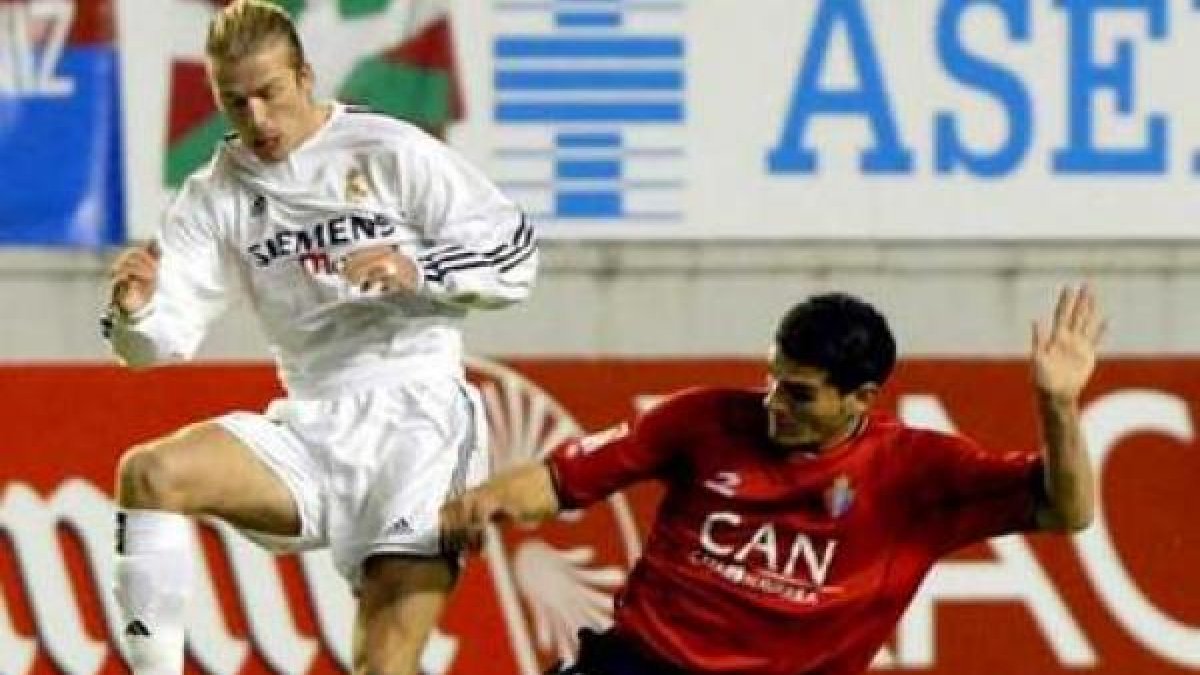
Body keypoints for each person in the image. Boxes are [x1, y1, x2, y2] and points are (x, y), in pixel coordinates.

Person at [102, 2, 536, 674]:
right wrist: (135, 312)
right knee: (150, 473)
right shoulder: (214, 195)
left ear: (305, 76)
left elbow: (515, 257)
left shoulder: (391, 150)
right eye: (234, 101)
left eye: (269, 93)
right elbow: (157, 344)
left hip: (418, 420)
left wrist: (414, 268)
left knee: (384, 662)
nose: (257, 120)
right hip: (309, 424)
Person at [440, 285, 1104, 675]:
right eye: (772, 377)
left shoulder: (917, 474)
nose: (773, 403)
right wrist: (487, 498)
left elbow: (1064, 508)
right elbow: (561, 480)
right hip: (637, 665)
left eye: (800, 393)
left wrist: (1058, 405)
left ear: (860, 396)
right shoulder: (703, 418)